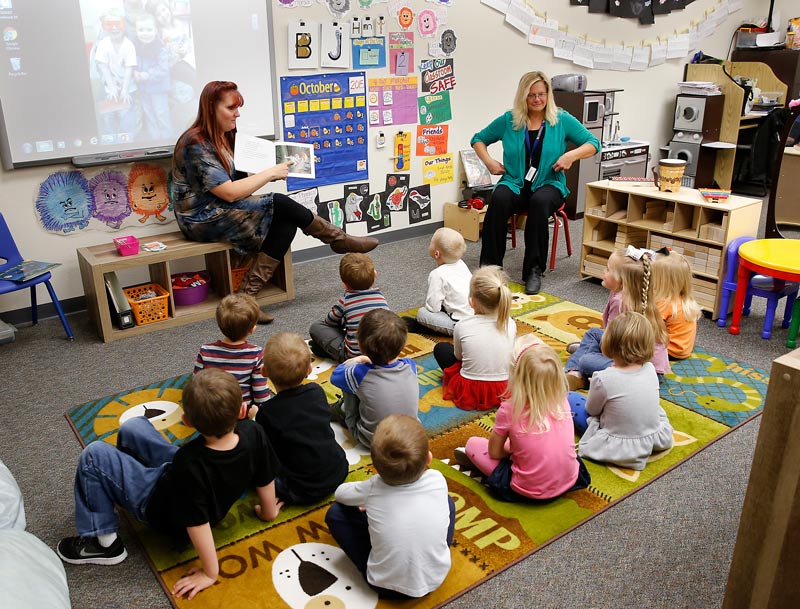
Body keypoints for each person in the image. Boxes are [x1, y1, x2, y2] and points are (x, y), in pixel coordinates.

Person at [56, 369, 283, 600]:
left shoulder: (189, 462)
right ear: (243, 410)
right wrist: (269, 512)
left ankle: (104, 544)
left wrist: (210, 573)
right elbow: (265, 477)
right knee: (133, 426)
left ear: (186, 421)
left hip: (159, 507)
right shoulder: (253, 431)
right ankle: (121, 482)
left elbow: (197, 524)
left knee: (94, 454)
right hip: (186, 482)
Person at [172, 81, 379, 324]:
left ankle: (246, 299)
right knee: (280, 202)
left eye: (238, 108)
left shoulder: (227, 135)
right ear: (210, 108)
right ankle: (338, 240)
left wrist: (261, 166)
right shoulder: (195, 143)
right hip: (200, 218)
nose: (237, 113)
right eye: (231, 108)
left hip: (224, 209)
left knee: (287, 222)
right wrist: (270, 173)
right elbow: (228, 193)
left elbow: (237, 182)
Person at [471, 71, 601, 296]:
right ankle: (490, 268)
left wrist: (571, 156)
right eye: (531, 95)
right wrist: (490, 162)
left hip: (549, 184)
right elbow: (478, 139)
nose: (537, 99)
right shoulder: (509, 120)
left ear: (548, 95)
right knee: (499, 198)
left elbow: (593, 143)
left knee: (540, 202)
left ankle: (533, 270)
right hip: (515, 182)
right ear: (523, 96)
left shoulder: (561, 120)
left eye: (541, 94)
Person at [325, 414, 455, 599]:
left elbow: (340, 494)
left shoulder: (374, 487)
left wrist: (368, 499)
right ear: (428, 459)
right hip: (435, 577)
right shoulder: (437, 479)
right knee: (447, 501)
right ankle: (433, 551)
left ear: (376, 466)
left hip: (384, 586)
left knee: (335, 514)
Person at [454, 335, 590, 502]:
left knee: (473, 444)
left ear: (515, 376)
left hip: (526, 489)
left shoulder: (510, 409)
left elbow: (494, 452)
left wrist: (511, 448)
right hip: (570, 479)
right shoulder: (562, 398)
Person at [570, 312, 674, 471]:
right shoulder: (650, 369)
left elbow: (592, 410)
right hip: (652, 438)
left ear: (609, 344)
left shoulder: (603, 377)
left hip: (617, 444)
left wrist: (595, 388)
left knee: (570, 398)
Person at [255, 332, 348, 504]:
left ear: (264, 372)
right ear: (310, 370)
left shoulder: (266, 413)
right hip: (338, 470)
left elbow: (269, 453)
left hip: (301, 489)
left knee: (255, 466)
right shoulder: (317, 392)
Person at [565, 247, 670, 390]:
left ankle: (576, 373)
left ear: (621, 280)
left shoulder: (620, 302)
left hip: (638, 369)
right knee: (594, 333)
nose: (604, 271)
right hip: (641, 360)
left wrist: (596, 353)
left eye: (608, 269)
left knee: (585, 360)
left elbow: (612, 343)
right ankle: (585, 354)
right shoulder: (634, 294)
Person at [330, 309, 418, 448]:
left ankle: (338, 410)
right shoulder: (410, 365)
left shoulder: (359, 372)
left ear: (359, 344)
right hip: (409, 435)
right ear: (402, 346)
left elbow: (335, 377)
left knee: (349, 384)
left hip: (372, 440)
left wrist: (357, 360)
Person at [433, 265, 516, 411]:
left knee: (441, 349)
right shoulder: (510, 323)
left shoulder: (463, 325)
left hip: (470, 389)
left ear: (471, 302)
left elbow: (458, 357)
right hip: (505, 387)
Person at [194, 294, 272, 418]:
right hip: (241, 411)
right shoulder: (256, 354)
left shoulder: (205, 351)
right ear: (252, 329)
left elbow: (196, 383)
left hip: (212, 410)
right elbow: (260, 392)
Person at [309, 252, 388, 363]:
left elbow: (329, 322)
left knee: (316, 326)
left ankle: (328, 351)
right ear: (375, 275)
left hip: (354, 357)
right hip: (383, 353)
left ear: (344, 284)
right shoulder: (381, 297)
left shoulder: (345, 301)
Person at [405, 227, 473, 336]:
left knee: (422, 313)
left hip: (461, 326)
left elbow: (433, 307)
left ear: (437, 254)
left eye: (431, 242)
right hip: (477, 317)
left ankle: (430, 329)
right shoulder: (462, 264)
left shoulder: (437, 274)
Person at [94, 9, 138, 138]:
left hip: (128, 89)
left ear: (123, 25)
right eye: (109, 24)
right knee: (109, 120)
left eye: (117, 24)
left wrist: (124, 90)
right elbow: (104, 67)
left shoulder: (129, 45)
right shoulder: (103, 44)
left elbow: (130, 68)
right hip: (109, 89)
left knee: (127, 120)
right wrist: (112, 88)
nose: (114, 28)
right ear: (104, 27)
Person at [651, 249, 702, 359]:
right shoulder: (684, 299)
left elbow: (649, 328)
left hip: (669, 351)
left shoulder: (664, 302)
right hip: (683, 349)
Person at [132, 12, 172, 139]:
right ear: (136, 31)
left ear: (155, 30)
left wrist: (147, 75)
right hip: (144, 89)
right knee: (149, 115)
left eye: (149, 29)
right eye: (141, 30)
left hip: (158, 89)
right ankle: (155, 140)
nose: (145, 33)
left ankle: (166, 139)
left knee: (161, 115)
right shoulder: (135, 47)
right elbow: (133, 64)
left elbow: (163, 69)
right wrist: (135, 73)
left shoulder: (160, 47)